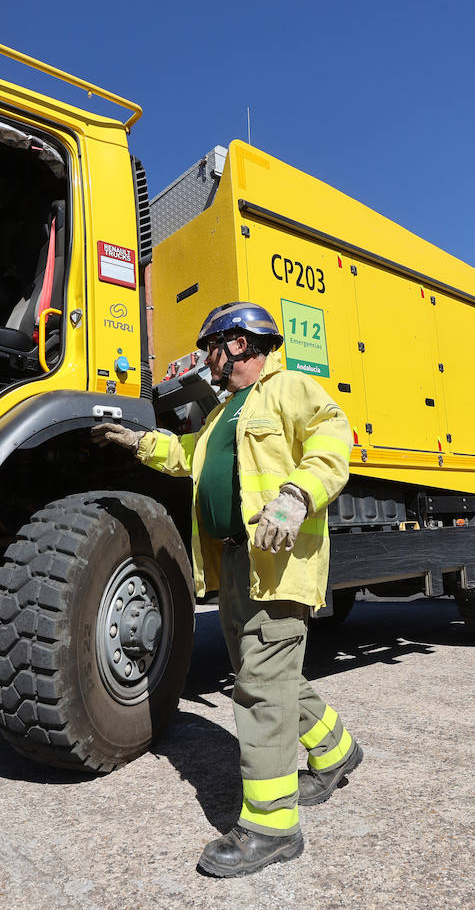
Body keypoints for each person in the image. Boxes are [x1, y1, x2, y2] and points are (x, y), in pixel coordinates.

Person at [93, 301, 362, 877]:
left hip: (279, 561)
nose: (205, 359)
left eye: (210, 346)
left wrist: (294, 497)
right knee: (265, 674)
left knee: (262, 685)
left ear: (238, 344)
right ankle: (337, 752)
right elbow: (189, 457)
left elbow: (334, 440)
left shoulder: (288, 388)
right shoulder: (222, 415)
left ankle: (272, 827)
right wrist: (138, 442)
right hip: (237, 563)